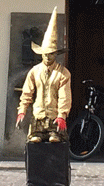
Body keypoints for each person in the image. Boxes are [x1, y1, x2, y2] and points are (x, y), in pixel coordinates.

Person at [16, 8, 72, 142]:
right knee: (35, 139)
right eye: (45, 54)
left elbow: (65, 96)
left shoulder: (63, 73)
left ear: (55, 54)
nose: (48, 57)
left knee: (54, 139)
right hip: (38, 118)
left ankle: (54, 131)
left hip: (54, 119)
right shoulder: (35, 71)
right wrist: (22, 111)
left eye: (51, 53)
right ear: (41, 54)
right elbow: (27, 93)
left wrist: (62, 116)